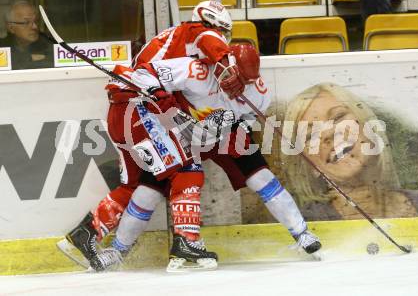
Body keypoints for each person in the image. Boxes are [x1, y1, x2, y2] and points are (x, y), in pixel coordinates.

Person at [88, 43, 321, 272]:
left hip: (226, 131)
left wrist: (226, 125)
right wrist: (158, 93)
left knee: (261, 177)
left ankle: (302, 233)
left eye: (246, 81)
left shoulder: (258, 92)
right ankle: (117, 251)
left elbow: (248, 119)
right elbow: (142, 74)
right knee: (148, 190)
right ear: (224, 64)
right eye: (236, 76)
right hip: (181, 131)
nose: (239, 86)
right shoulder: (194, 70)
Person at [59, 0, 242, 270]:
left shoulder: (174, 38)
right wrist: (227, 64)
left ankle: (87, 233)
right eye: (223, 32)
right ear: (209, 24)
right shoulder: (197, 33)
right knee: (188, 168)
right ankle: (187, 243)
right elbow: (208, 40)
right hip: (140, 110)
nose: (224, 39)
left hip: (122, 112)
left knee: (135, 183)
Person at [281, 83, 418, 220]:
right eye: (311, 135)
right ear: (310, 165)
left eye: (338, 117)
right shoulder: (304, 226)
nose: (328, 133)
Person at [0, 1, 53, 70]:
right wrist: (28, 57)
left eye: (36, 21)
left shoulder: (48, 44)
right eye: (26, 22)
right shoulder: (2, 46)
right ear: (11, 28)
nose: (35, 27)